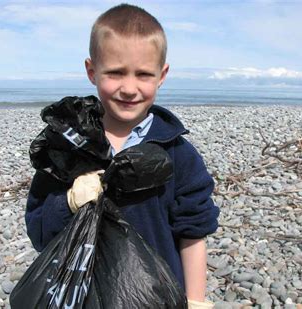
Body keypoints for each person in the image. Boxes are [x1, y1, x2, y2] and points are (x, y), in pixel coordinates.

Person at [25, 4, 219, 308]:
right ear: (92, 71)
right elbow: (39, 232)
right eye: (115, 73)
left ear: (162, 75)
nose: (129, 88)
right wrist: (69, 203)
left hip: (156, 297)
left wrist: (195, 302)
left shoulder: (179, 155)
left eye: (143, 74)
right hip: (81, 296)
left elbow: (193, 234)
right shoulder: (67, 148)